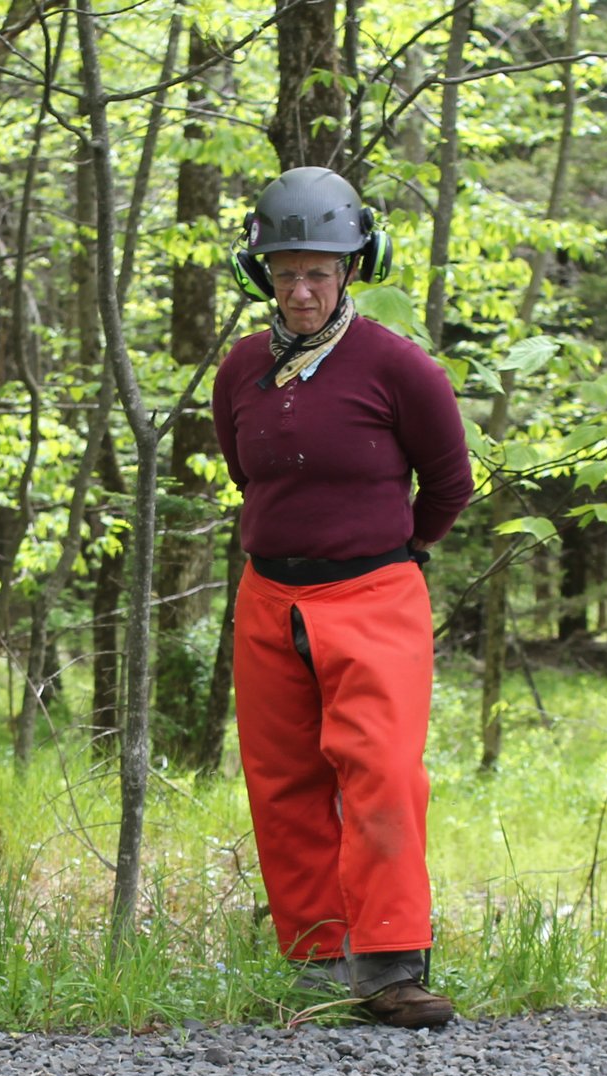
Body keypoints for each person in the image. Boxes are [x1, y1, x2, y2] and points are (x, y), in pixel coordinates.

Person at [213, 167, 474, 1030]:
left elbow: (447, 484)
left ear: (353, 266)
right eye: (285, 271)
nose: (302, 289)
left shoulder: (401, 369)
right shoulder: (243, 369)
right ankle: (318, 957)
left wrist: (392, 550)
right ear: (263, 273)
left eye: (319, 271)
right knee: (282, 778)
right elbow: (243, 470)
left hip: (374, 590)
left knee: (383, 772)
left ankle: (394, 961)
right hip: (269, 596)